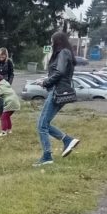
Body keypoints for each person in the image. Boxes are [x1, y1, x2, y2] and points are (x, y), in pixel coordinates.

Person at [33, 31, 81, 166]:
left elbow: (59, 72)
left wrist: (46, 82)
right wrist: (45, 79)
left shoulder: (63, 53)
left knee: (41, 125)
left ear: (57, 42)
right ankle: (67, 140)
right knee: (44, 124)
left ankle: (47, 156)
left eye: (52, 41)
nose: (51, 44)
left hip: (57, 92)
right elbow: (60, 73)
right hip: (58, 90)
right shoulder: (65, 53)